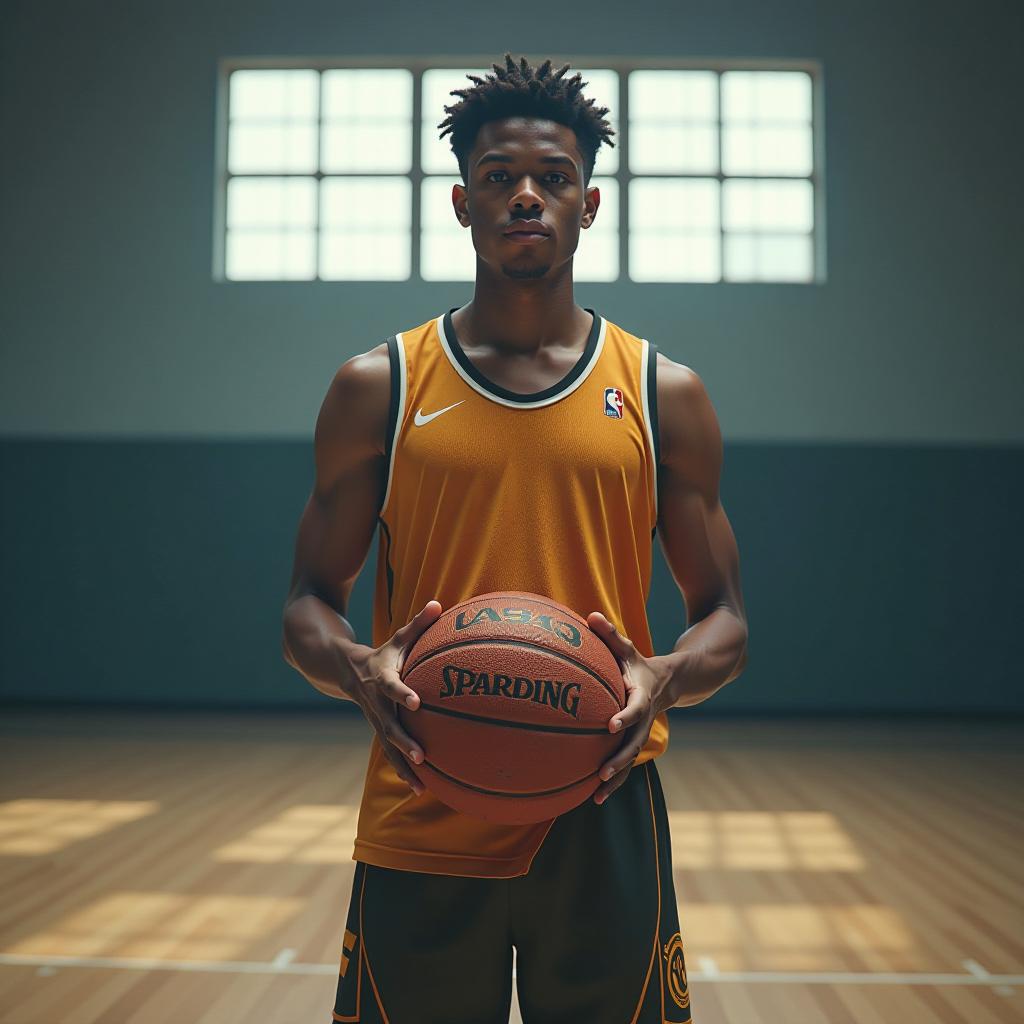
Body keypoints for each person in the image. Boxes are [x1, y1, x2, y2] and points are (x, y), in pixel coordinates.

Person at [282, 52, 749, 1024]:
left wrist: (662, 673)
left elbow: (725, 622)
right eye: (499, 179)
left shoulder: (665, 393)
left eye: (553, 179)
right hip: (425, 793)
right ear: (462, 203)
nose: (526, 197)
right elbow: (305, 606)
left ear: (589, 203)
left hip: (600, 797)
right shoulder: (381, 386)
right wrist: (358, 665)